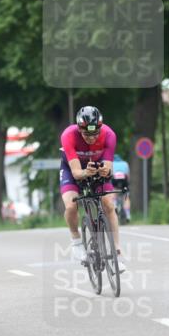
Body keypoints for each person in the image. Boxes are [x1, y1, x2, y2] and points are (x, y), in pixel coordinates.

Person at [59, 106, 124, 271]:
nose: (91, 138)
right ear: (79, 129)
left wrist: (104, 170)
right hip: (72, 169)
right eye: (87, 134)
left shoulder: (109, 135)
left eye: (95, 134)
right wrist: (84, 172)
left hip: (96, 166)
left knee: (109, 204)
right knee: (71, 205)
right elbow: (76, 172)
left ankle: (117, 253)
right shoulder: (68, 135)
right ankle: (76, 241)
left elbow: (108, 167)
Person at [111, 153, 131, 223]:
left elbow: (110, 174)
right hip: (124, 179)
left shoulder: (111, 163)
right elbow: (128, 176)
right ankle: (128, 215)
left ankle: (115, 204)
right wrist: (127, 184)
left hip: (115, 179)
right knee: (126, 197)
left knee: (113, 192)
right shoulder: (125, 163)